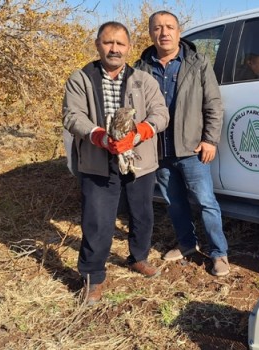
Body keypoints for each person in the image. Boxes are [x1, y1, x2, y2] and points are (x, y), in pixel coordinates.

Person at [63, 21, 170, 305]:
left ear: (128, 48)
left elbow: (161, 114)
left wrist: (139, 133)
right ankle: (92, 278)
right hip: (97, 161)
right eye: (108, 43)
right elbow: (72, 116)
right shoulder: (81, 79)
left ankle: (138, 257)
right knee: (97, 221)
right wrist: (99, 137)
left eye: (120, 44)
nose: (114, 49)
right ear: (97, 45)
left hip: (139, 161)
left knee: (142, 214)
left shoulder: (144, 80)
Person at [134, 11, 230, 276]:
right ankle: (187, 244)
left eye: (169, 27)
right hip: (159, 150)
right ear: (151, 32)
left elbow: (213, 104)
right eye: (158, 28)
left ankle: (218, 253)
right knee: (174, 203)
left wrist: (210, 139)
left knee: (205, 201)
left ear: (178, 31)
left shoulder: (197, 62)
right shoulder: (141, 68)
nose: (164, 32)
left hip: (192, 149)